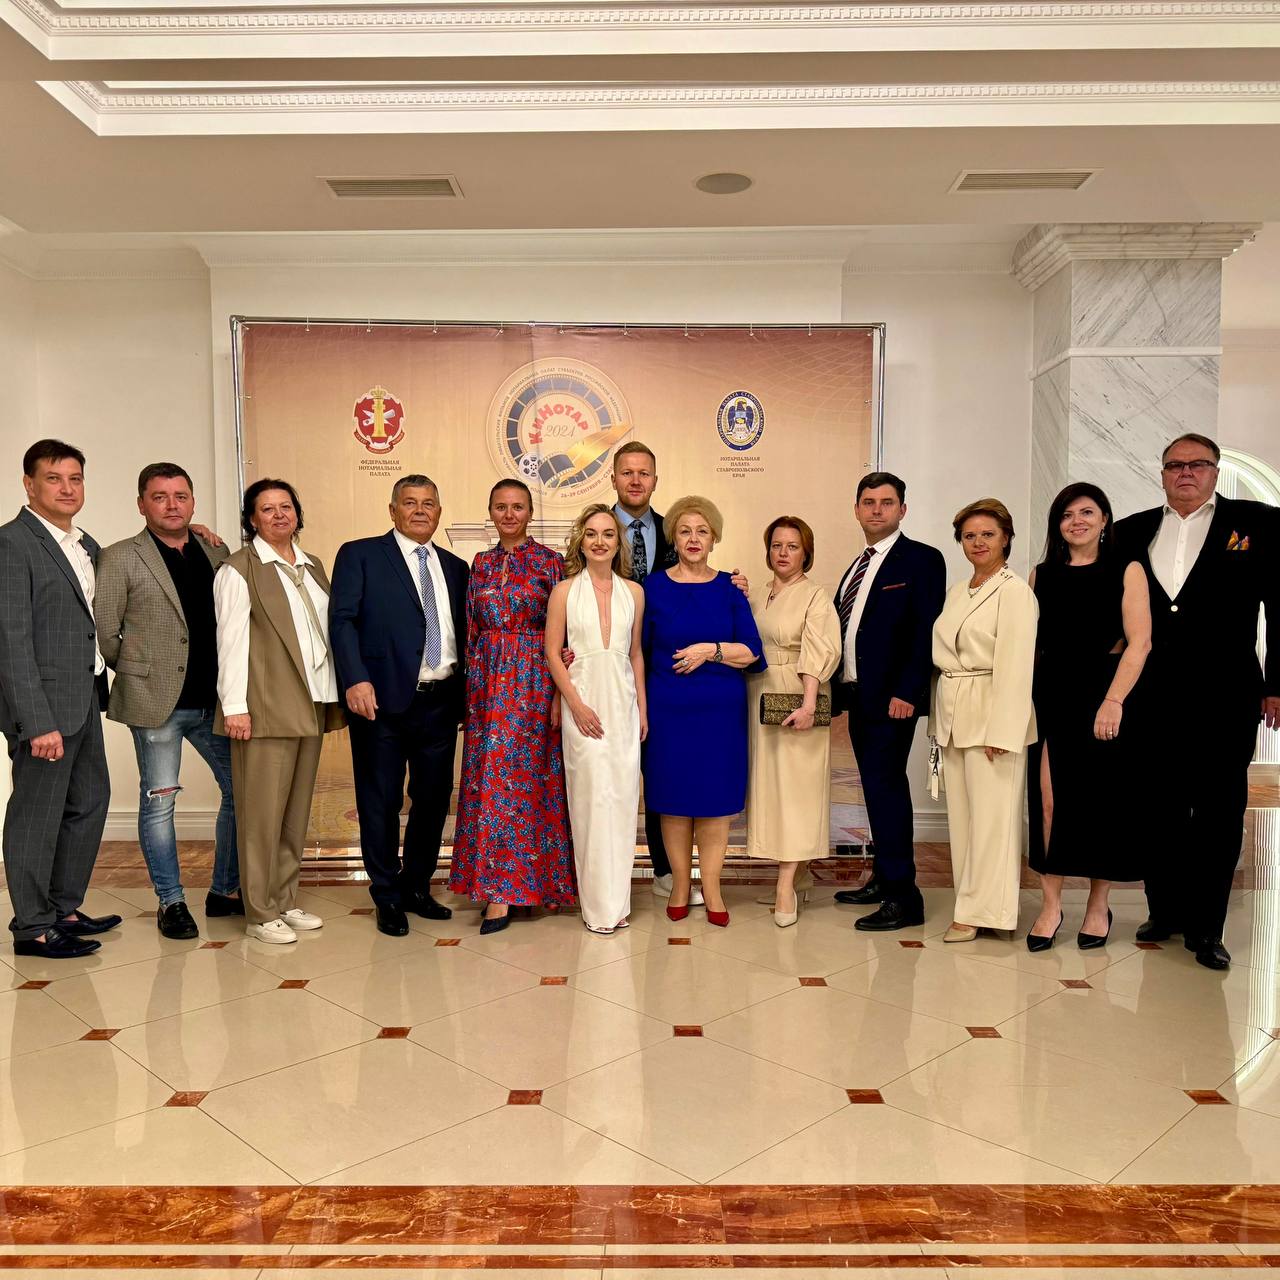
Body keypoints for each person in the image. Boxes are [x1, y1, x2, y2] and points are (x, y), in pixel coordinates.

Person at [1115, 434, 1278, 971]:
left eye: (1197, 464)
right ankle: (1164, 911)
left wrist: (1276, 684)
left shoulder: (1257, 523)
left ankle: (1208, 928)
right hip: (1149, 695)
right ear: (1162, 473)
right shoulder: (1132, 530)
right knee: (1155, 806)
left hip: (1226, 694)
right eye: (1174, 465)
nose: (1185, 473)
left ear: (1215, 471)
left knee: (1218, 810)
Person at [94, 462, 241, 940]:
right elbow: (106, 633)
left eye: (181, 496)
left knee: (241, 791)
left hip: (215, 700)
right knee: (159, 802)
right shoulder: (120, 556)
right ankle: (171, 901)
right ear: (142, 504)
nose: (172, 505)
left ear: (193, 502)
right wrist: (141, 672)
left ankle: (224, 890)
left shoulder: (216, 551)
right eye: (160, 497)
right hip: (156, 703)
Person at [330, 475, 466, 937]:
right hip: (380, 701)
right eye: (410, 503)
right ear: (393, 510)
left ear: (439, 512)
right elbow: (343, 621)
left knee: (432, 800)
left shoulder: (455, 567)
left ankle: (416, 887)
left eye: (429, 503)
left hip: (441, 702)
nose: (420, 510)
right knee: (381, 800)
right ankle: (386, 894)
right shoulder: (361, 555)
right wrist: (355, 679)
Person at [0, 440, 120, 959]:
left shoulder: (85, 544)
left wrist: (195, 534)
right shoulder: (12, 544)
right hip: (44, 711)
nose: (67, 488)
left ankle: (62, 909)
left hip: (84, 697)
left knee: (89, 801)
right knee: (37, 815)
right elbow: (10, 641)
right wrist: (36, 722)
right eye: (54, 478)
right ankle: (32, 926)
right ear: (29, 485)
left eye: (75, 478)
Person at [213, 479, 345, 945]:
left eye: (285, 506)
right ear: (252, 519)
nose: (278, 515)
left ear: (297, 513)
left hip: (310, 702)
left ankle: (285, 899)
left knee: (293, 813)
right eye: (266, 509)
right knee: (260, 817)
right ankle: (260, 911)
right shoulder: (238, 570)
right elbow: (230, 643)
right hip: (263, 707)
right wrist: (235, 707)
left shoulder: (313, 566)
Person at [1026, 482, 1152, 952]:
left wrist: (1113, 700)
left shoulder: (1127, 568)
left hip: (1104, 696)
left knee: (1102, 804)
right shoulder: (1041, 574)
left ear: (1104, 520)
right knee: (1049, 802)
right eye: (1066, 515)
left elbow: (1140, 642)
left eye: (1086, 512)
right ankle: (1051, 905)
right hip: (1050, 696)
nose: (1076, 521)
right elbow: (1031, 646)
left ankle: (1099, 905)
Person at [450, 479, 575, 935]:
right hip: (487, 688)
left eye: (517, 506)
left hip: (533, 684)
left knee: (526, 785)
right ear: (490, 512)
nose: (509, 514)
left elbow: (566, 635)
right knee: (490, 784)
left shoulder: (550, 562)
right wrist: (469, 696)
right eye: (501, 506)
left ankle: (517, 889)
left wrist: (559, 693)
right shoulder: (480, 564)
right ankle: (497, 885)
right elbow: (470, 632)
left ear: (529, 512)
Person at [830, 472, 946, 930]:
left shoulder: (922, 560)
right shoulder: (858, 564)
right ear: (857, 509)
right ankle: (883, 878)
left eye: (886, 502)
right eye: (868, 502)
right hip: (860, 697)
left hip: (892, 701)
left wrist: (908, 691)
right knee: (876, 792)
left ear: (902, 509)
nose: (876, 509)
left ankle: (904, 898)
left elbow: (924, 629)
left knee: (888, 792)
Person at [643, 495, 765, 927]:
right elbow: (636, 652)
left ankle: (712, 888)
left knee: (715, 804)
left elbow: (752, 651)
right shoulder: (651, 588)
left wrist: (709, 650)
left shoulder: (730, 588)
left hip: (719, 716)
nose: (694, 539)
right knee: (673, 802)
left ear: (714, 539)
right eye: (685, 531)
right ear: (673, 539)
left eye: (702, 531)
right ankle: (680, 884)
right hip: (667, 712)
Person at [929, 498, 1037, 943]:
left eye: (988, 534)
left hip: (993, 713)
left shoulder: (1015, 592)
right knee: (964, 819)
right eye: (969, 535)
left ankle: (985, 912)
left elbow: (1017, 667)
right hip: (954, 714)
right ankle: (969, 903)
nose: (978, 542)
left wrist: (1003, 731)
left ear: (1006, 538)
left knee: (994, 821)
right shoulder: (959, 590)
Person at [546, 504, 647, 934]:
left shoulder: (634, 593)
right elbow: (553, 653)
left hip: (623, 706)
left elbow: (635, 654)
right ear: (581, 542)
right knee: (589, 803)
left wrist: (642, 709)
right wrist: (576, 704)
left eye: (608, 534)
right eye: (591, 534)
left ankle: (618, 904)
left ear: (618, 542)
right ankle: (597, 907)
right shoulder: (564, 592)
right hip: (582, 705)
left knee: (622, 802)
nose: (600, 541)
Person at [745, 516, 841, 927]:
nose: (783, 553)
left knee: (799, 792)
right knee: (771, 789)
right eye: (777, 545)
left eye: (793, 546)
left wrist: (809, 704)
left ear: (806, 553)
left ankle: (785, 885)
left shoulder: (815, 595)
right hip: (759, 691)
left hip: (799, 693)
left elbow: (821, 650)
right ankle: (798, 876)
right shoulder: (757, 594)